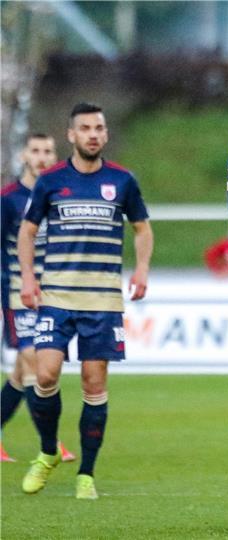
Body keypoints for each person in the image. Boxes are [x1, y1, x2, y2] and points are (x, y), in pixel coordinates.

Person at [17, 103, 154, 500]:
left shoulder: (122, 181)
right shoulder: (51, 181)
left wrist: (141, 269)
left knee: (94, 383)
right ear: (71, 135)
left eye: (99, 128)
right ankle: (48, 451)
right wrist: (29, 278)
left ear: (105, 134)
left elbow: (142, 228)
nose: (93, 134)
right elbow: (27, 232)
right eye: (85, 128)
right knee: (45, 375)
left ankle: (86, 474)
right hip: (56, 296)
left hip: (103, 301)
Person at [0, 133, 75, 464]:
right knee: (33, 359)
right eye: (35, 150)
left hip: (54, 292)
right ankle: (51, 443)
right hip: (18, 293)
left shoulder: (60, 195)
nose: (41, 156)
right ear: (24, 156)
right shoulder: (8, 199)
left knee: (21, 373)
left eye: (47, 151)